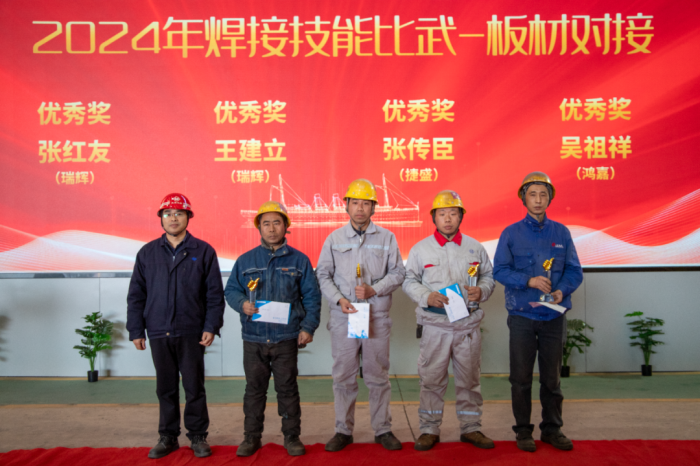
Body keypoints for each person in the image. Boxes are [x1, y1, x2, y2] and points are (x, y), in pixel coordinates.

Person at [126, 193, 225, 459]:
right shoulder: (147, 253)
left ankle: (198, 436)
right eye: (168, 213)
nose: (173, 218)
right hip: (158, 330)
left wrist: (211, 326)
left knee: (194, 387)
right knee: (165, 388)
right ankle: (168, 437)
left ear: (188, 217)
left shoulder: (203, 251)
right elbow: (136, 295)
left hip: (191, 330)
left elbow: (214, 294)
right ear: (160, 218)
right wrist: (136, 330)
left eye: (179, 213)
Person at [493, 171, 583, 452]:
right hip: (522, 315)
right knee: (520, 379)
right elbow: (499, 270)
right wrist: (529, 281)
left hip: (553, 316)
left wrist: (562, 291)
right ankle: (523, 431)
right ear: (524, 198)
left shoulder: (562, 233)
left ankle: (552, 429)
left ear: (550, 199)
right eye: (532, 194)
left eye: (544, 194)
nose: (538, 199)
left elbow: (574, 271)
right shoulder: (511, 233)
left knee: (551, 379)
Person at [224, 201, 322, 457]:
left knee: (287, 389)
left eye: (276, 223)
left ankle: (291, 437)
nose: (271, 228)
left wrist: (308, 327)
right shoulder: (245, 260)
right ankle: (251, 437)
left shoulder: (299, 260)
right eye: (265, 223)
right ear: (259, 227)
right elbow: (231, 290)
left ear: (285, 226)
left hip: (286, 337)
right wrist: (242, 303)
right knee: (254, 390)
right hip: (254, 338)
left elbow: (312, 297)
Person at [316, 179, 406, 452]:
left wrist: (374, 289)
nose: (359, 208)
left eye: (365, 203)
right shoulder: (334, 239)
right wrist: (340, 299)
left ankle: (383, 429)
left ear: (373, 208)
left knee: (378, 375)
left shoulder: (387, 238)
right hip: (345, 317)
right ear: (346, 205)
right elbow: (323, 274)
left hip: (375, 316)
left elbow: (398, 273)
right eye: (355, 202)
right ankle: (343, 431)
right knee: (343, 376)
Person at [403, 190, 496, 451]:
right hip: (435, 326)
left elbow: (488, 276)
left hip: (467, 325)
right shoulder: (420, 249)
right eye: (442, 213)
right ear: (433, 217)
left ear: (460, 216)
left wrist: (482, 291)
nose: (447, 219)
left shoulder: (475, 247)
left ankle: (471, 428)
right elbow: (409, 280)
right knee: (431, 379)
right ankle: (429, 429)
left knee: (469, 379)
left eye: (453, 213)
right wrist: (426, 296)